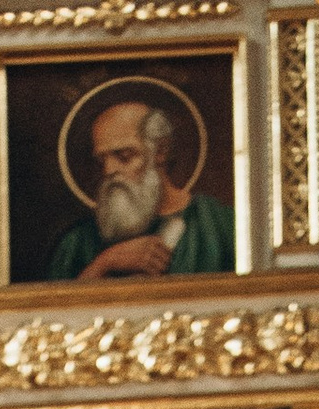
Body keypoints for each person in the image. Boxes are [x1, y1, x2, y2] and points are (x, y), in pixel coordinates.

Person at [46, 97, 233, 283]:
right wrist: (106, 263)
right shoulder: (77, 243)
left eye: (124, 156)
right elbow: (52, 308)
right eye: (101, 160)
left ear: (160, 151)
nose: (109, 170)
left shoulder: (219, 226)